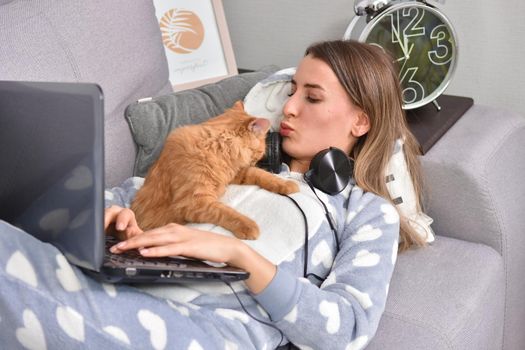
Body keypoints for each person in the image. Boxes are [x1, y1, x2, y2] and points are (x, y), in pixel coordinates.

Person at [0, 39, 425, 349]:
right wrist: (112, 211)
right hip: (121, 277)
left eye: (312, 97)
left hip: (199, 326)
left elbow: (346, 328)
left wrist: (237, 253)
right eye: (291, 90)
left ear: (360, 123)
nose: (289, 108)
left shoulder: (366, 214)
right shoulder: (235, 159)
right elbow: (134, 191)